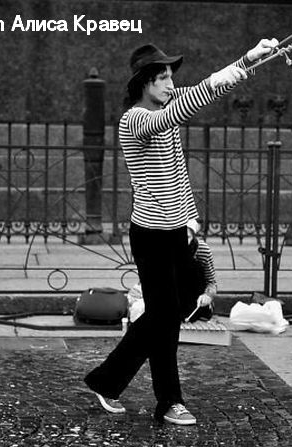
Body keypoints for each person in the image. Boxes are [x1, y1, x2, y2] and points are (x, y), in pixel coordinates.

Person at [84, 39, 277, 426]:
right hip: (151, 235)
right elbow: (184, 107)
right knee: (166, 318)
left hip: (178, 231)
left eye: (172, 77)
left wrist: (251, 57)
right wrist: (222, 76)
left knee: (164, 314)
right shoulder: (136, 119)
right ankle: (169, 401)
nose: (171, 84)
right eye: (162, 78)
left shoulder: (166, 105)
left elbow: (210, 87)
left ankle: (106, 381)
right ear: (144, 83)